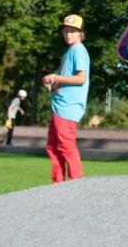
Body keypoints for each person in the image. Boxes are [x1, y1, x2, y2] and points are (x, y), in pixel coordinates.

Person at [42, 14, 90, 183]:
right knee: (53, 147)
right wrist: (54, 84)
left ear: (81, 33)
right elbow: (68, 79)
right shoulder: (70, 51)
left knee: (65, 146)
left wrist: (55, 77)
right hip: (60, 106)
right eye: (66, 30)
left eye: (73, 31)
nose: (69, 34)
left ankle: (77, 184)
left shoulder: (78, 50)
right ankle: (58, 185)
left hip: (68, 108)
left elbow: (80, 79)